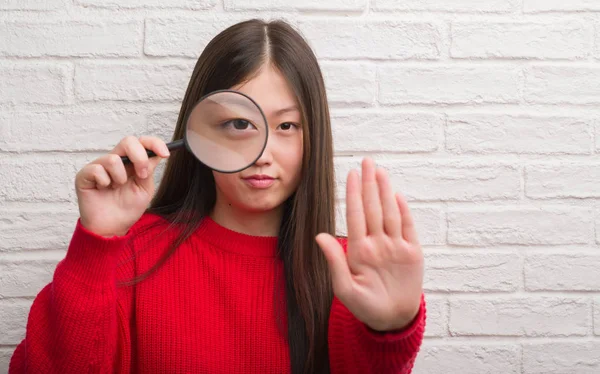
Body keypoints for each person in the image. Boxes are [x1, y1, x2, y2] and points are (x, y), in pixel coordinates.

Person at [9, 18, 426, 374]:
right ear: (200, 131)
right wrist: (93, 247)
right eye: (239, 125)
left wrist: (388, 330)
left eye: (286, 127)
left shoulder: (354, 275)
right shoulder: (132, 254)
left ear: (313, 137)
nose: (262, 155)